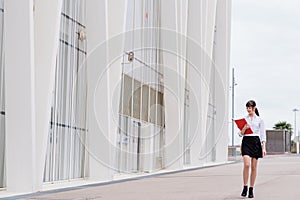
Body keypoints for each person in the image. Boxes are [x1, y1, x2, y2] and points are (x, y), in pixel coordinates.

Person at [238, 100, 266, 198]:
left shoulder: (260, 120)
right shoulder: (244, 119)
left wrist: (263, 148)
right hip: (246, 141)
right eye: (247, 108)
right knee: (247, 164)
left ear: (254, 108)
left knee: (254, 167)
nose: (248, 110)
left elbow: (263, 135)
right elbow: (239, 134)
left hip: (255, 142)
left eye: (249, 108)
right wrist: (244, 128)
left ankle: (251, 189)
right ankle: (245, 186)